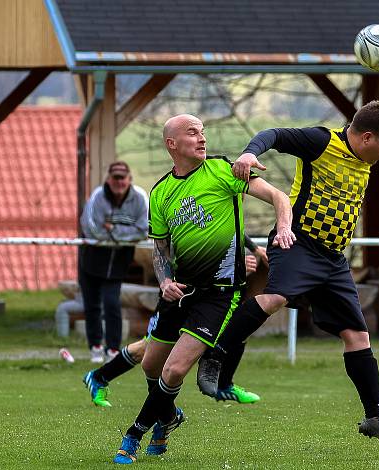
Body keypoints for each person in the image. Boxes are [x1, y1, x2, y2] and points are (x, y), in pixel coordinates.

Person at [197, 100, 379, 447]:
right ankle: (215, 356)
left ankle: (375, 417)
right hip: (298, 242)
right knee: (274, 297)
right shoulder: (321, 142)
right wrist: (249, 154)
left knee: (358, 336)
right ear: (367, 137)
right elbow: (274, 134)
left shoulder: (364, 158)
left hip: (333, 259)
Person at [112, 114, 294, 464]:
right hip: (180, 292)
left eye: (203, 132)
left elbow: (277, 196)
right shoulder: (161, 192)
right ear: (172, 144)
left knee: (174, 370)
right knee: (151, 366)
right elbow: (161, 249)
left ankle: (135, 433)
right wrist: (164, 280)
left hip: (219, 294)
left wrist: (283, 228)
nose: (201, 138)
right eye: (192, 132)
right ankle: (168, 417)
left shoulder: (225, 171)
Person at [82, 237, 266, 407]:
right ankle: (98, 377)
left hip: (208, 298)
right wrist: (240, 265)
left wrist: (252, 251)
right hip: (178, 295)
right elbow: (197, 257)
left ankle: (224, 385)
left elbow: (232, 233)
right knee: (147, 350)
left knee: (237, 331)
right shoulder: (189, 216)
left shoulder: (225, 214)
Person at [79, 161, 148, 363]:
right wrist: (122, 233)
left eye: (122, 178)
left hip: (119, 261)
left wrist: (112, 230)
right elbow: (91, 229)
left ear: (129, 180)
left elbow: (143, 230)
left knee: (112, 304)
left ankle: (113, 350)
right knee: (91, 305)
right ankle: (95, 347)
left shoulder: (139, 198)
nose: (119, 182)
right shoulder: (98, 196)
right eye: (115, 178)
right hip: (92, 258)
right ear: (108, 179)